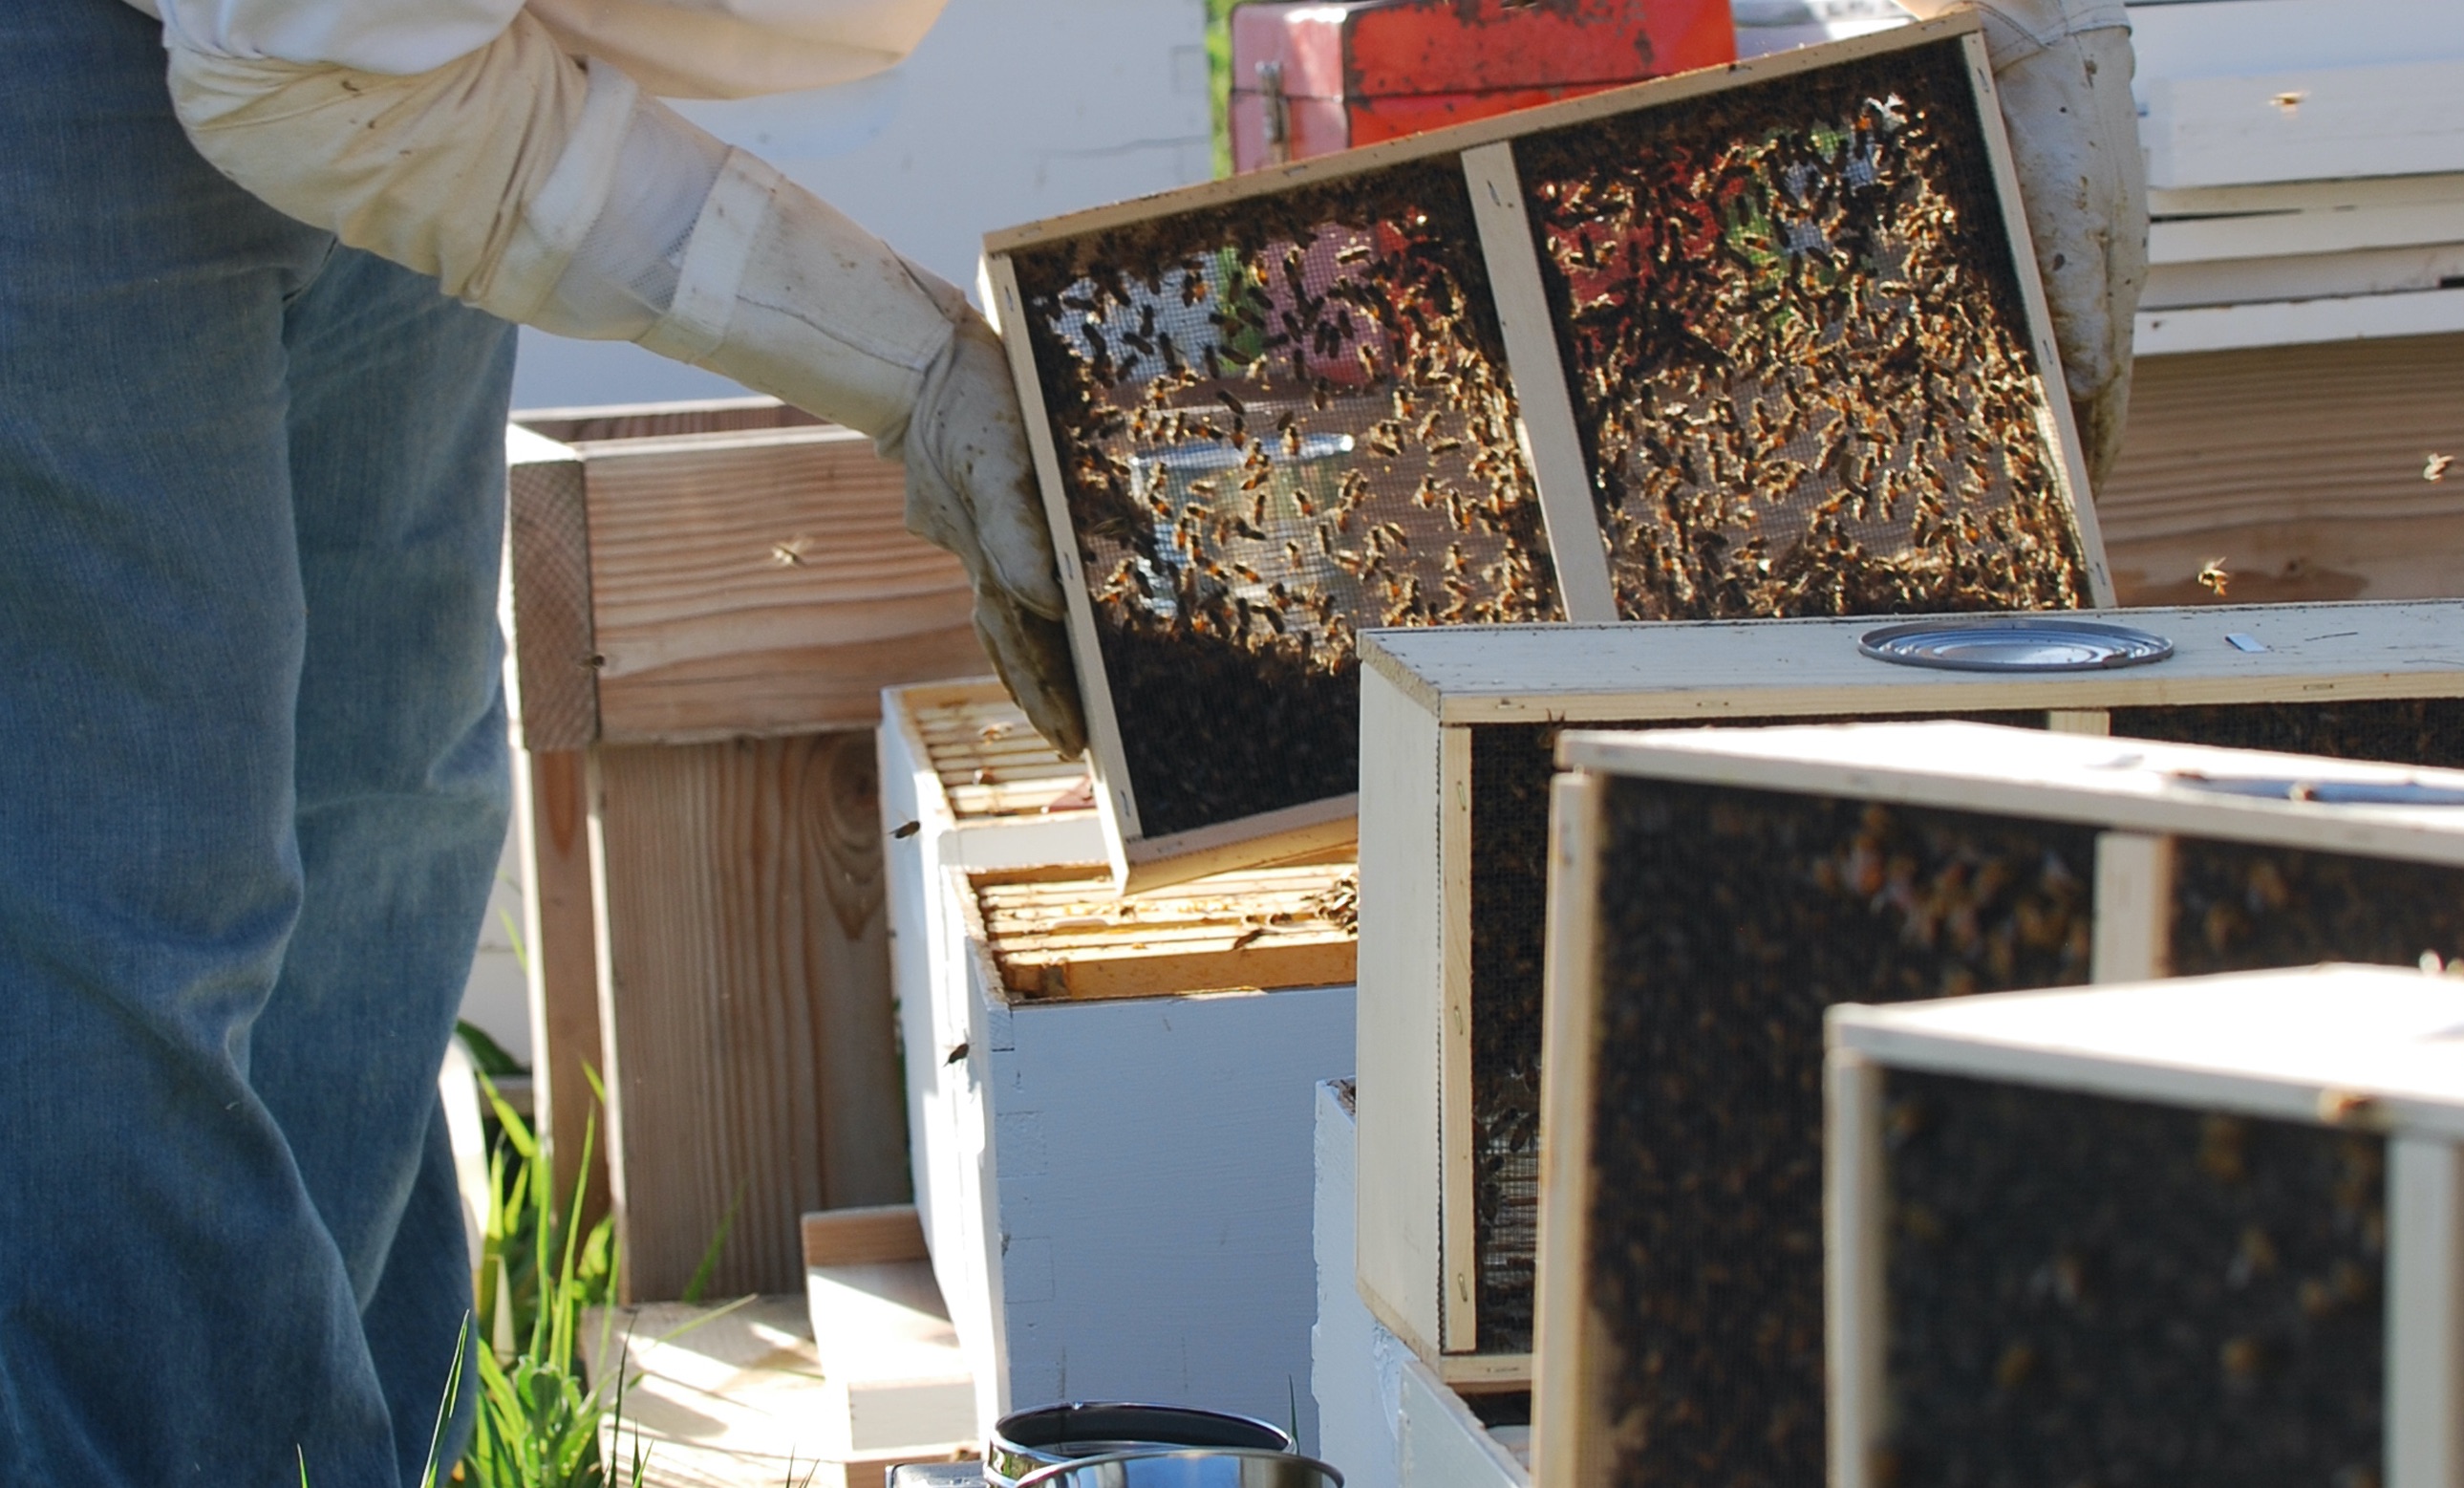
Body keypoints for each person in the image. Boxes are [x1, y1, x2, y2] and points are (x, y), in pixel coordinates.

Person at [0, 0, 2140, 1478]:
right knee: (148, 900)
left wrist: (2031, 49)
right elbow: (325, 70)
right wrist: (908, 375)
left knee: (389, 813)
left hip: (402, 42)